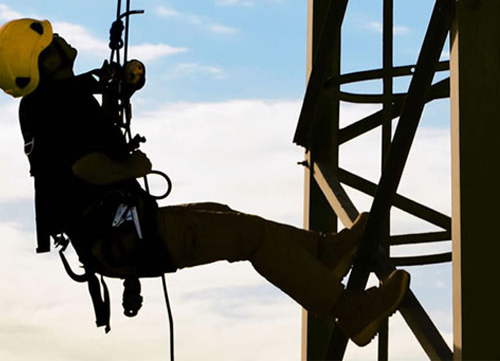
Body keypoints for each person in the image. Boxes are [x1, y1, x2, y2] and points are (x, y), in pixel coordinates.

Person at [0, 18, 410, 347]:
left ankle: (324, 253)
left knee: (226, 217)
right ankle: (346, 309)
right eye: (50, 43)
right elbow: (84, 168)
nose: (61, 40)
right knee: (248, 236)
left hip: (118, 232)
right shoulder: (55, 105)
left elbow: (79, 144)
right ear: (46, 63)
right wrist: (132, 168)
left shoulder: (49, 104)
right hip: (125, 235)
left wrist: (118, 88)